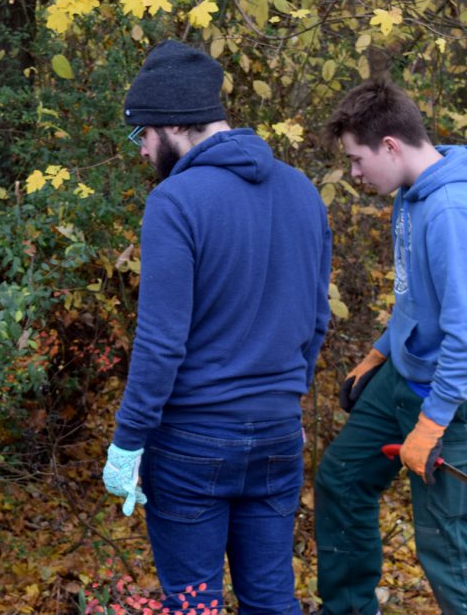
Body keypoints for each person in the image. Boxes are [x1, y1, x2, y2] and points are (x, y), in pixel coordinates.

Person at [101, 39, 331, 613]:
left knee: (195, 604)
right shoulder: (302, 191)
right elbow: (316, 319)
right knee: (272, 599)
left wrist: (127, 441)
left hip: (192, 442)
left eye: (143, 133)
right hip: (278, 436)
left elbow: (161, 342)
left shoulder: (175, 201)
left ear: (174, 124)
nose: (142, 149)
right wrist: (288, 399)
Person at [314, 79, 467, 615]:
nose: (355, 174)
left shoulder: (449, 210)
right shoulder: (409, 192)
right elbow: (417, 298)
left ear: (391, 146)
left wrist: (431, 425)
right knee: (341, 479)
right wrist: (380, 353)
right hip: (404, 374)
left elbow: (464, 333)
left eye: (357, 160)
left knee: (448, 550)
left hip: (450, 398)